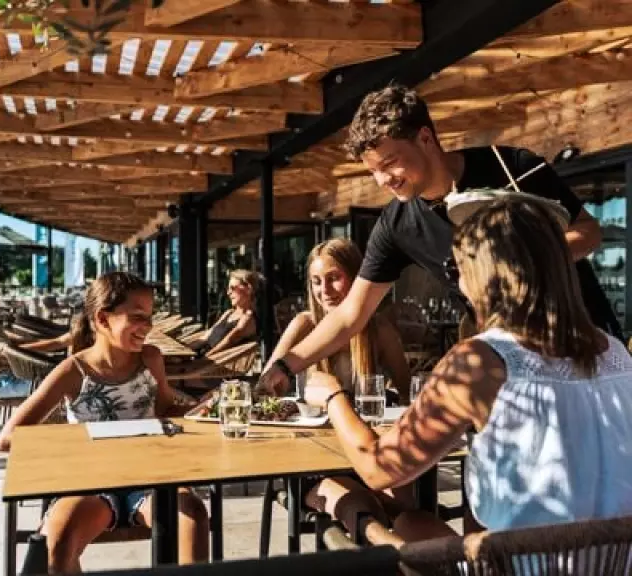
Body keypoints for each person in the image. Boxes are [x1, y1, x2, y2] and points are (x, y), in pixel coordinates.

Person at [303, 199, 632, 543]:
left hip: (526, 564)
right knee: (412, 522)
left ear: (486, 276)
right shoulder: (615, 352)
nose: (458, 284)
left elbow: (378, 468)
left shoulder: (481, 361)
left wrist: (333, 396)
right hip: (617, 560)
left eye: (456, 269)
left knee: (388, 524)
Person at [259, 83, 621, 395]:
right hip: (514, 364)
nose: (383, 180)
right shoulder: (397, 223)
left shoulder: (509, 166)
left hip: (587, 343)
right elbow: (351, 314)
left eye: (389, 163)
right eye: (373, 171)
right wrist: (286, 365)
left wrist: (522, 264)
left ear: (425, 138)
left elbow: (588, 231)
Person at [0, 272, 209, 572]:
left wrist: (200, 408)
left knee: (193, 515)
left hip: (150, 477)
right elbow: (7, 439)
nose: (148, 326)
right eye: (137, 316)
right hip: (91, 481)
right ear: (102, 319)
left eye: (149, 317)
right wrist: (80, 441)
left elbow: (165, 410)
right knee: (58, 542)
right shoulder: (74, 370)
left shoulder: (151, 358)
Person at [266, 238, 413, 540]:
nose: (325, 290)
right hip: (312, 460)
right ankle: (392, 552)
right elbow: (265, 389)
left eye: (334, 278)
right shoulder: (304, 325)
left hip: (366, 449)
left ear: (358, 278)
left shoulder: (378, 329)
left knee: (406, 502)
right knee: (359, 504)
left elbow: (408, 392)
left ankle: (415, 555)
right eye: (316, 281)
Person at [0, 262, 70, 398]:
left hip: (2, 377)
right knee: (67, 381)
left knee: (65, 373)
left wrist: (54, 342)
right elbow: (13, 353)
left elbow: (12, 343)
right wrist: (60, 342)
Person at [189, 269, 259, 357]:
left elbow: (229, 340)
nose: (228, 293)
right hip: (201, 355)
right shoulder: (229, 313)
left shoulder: (247, 318)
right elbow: (206, 336)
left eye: (232, 288)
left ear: (248, 289)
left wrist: (204, 359)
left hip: (214, 362)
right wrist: (185, 350)